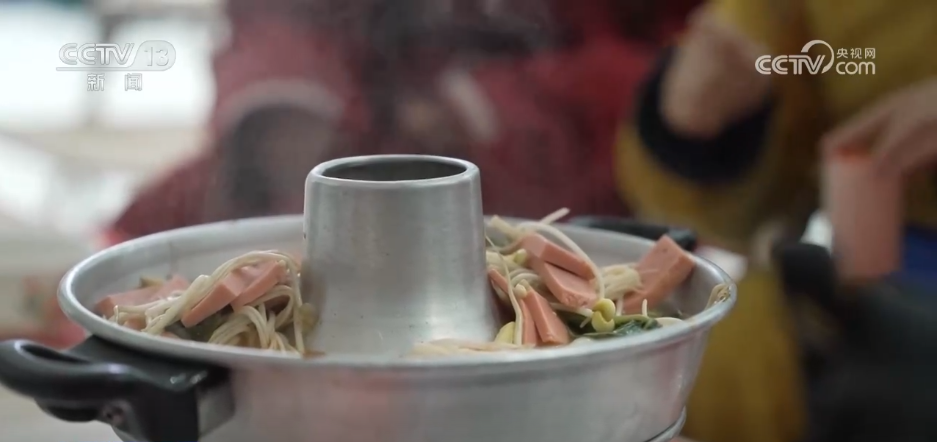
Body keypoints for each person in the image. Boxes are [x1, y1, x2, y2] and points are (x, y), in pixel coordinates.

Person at [107, 0, 700, 242]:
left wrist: (489, 104)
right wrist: (283, 104)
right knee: (144, 258)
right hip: (345, 153)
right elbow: (274, 20)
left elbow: (688, 58)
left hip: (575, 199)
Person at [616, 1, 937, 441]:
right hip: (868, 291)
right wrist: (700, 137)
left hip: (890, 338)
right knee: (648, 374)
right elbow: (750, 208)